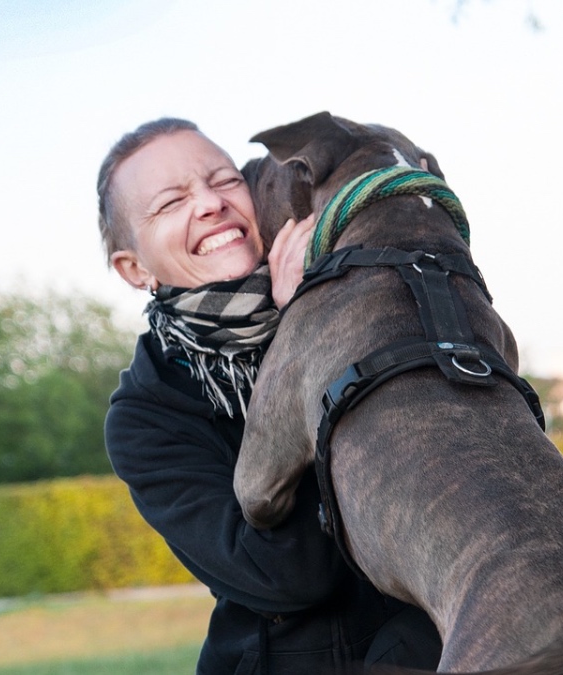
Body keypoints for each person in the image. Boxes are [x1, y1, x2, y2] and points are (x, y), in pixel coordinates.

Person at [96, 118, 443, 675]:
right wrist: (298, 333)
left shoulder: (359, 299)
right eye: (171, 202)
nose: (210, 203)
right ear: (134, 268)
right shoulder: (146, 416)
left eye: (224, 180)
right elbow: (287, 574)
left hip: (427, 646)